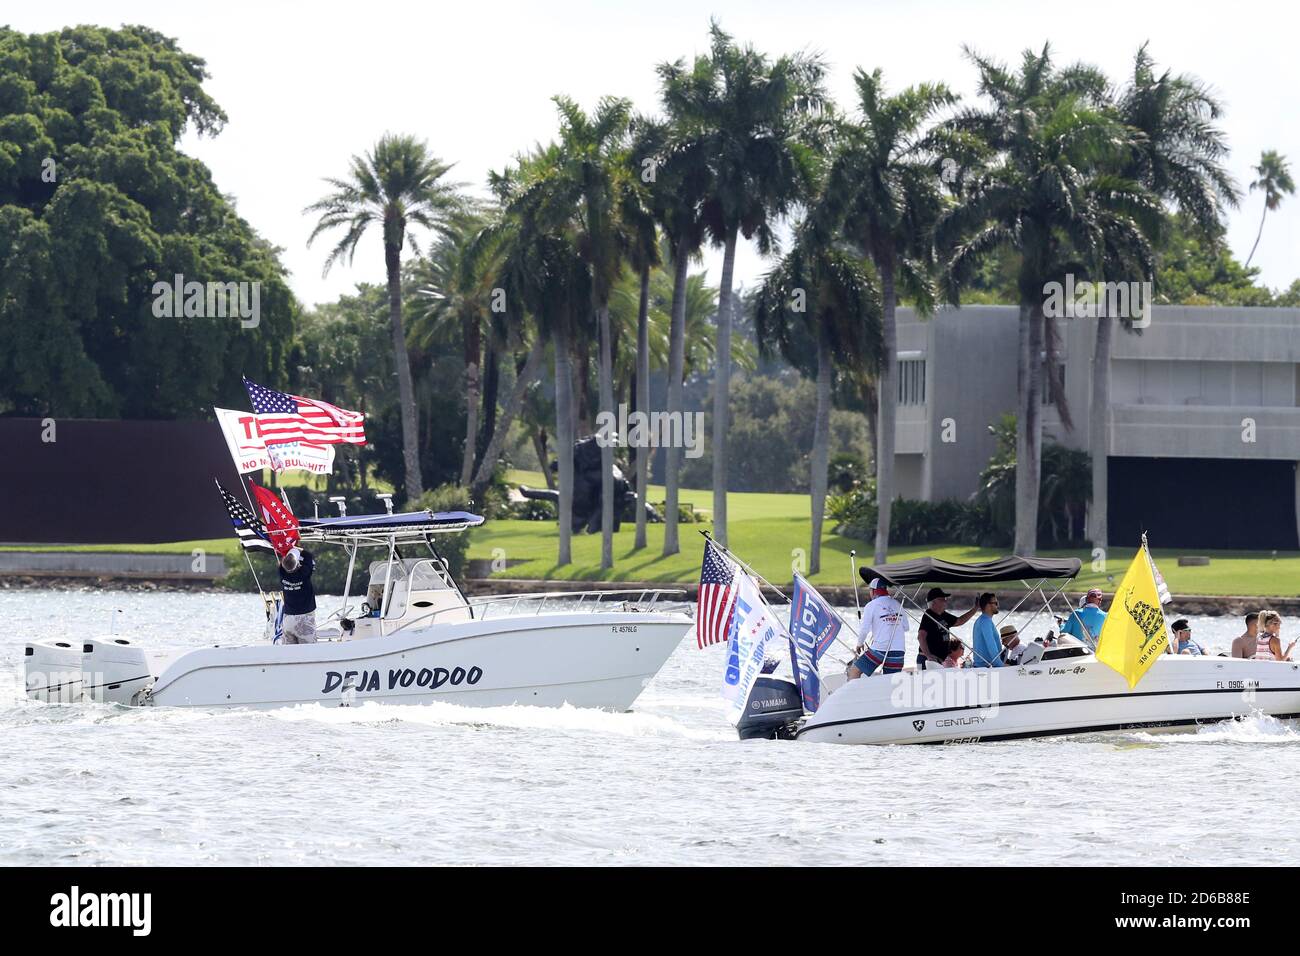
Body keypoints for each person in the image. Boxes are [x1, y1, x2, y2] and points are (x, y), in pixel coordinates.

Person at [848, 578, 910, 678]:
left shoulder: (871, 605)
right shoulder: (898, 604)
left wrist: (859, 644)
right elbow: (906, 627)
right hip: (898, 650)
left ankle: (853, 693)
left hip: (880, 649)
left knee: (854, 672)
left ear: (873, 591)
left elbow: (864, 629)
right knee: (890, 681)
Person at [916, 587, 977, 669]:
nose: (945, 601)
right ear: (934, 602)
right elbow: (921, 636)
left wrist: (975, 608)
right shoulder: (929, 615)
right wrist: (929, 656)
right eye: (942, 599)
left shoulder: (943, 615)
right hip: (927, 660)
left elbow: (960, 621)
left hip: (937, 661)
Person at [278, 546, 318, 644]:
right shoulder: (304, 574)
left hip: (288, 619)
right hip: (304, 619)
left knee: (290, 653)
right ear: (297, 565)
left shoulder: (282, 573)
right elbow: (308, 556)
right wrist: (298, 548)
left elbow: (284, 562)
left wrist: (290, 548)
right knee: (309, 652)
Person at [970, 593, 1003, 668]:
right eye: (996, 603)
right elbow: (991, 645)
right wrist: (1001, 665)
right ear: (988, 605)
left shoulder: (984, 620)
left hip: (986, 667)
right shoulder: (985, 622)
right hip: (985, 668)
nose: (998, 606)